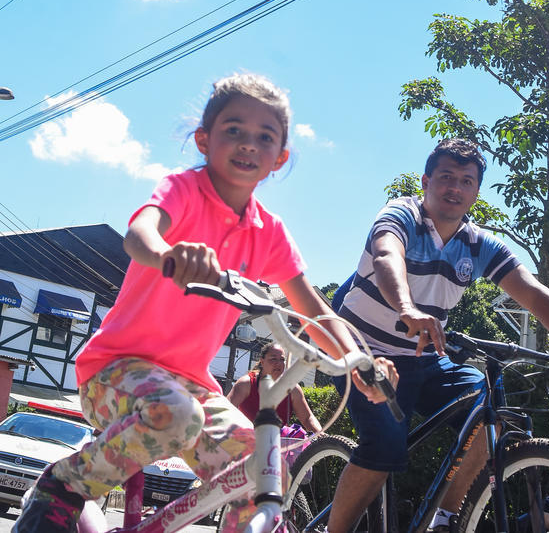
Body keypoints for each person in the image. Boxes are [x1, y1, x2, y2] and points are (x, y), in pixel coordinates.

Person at [15, 72, 390, 533]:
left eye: (264, 137)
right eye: (234, 130)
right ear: (204, 139)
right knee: (173, 414)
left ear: (280, 158)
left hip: (192, 385)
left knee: (263, 469)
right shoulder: (184, 191)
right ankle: (63, 489)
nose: (248, 143)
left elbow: (313, 309)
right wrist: (167, 253)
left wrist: (363, 361)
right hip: (113, 370)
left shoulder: (268, 233)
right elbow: (140, 234)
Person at [327, 138, 549, 533]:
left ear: (475, 192)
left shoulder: (478, 244)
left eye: (466, 181)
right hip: (360, 351)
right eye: (446, 177)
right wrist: (407, 308)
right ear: (426, 182)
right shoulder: (401, 214)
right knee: (384, 446)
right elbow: (388, 257)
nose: (454, 188)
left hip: (425, 357)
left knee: (491, 414)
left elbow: (532, 291)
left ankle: (444, 520)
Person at [229, 341, 322, 433]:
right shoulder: (245, 384)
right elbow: (226, 408)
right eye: (273, 359)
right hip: (245, 441)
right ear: (262, 361)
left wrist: (320, 434)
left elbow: (307, 418)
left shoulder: (292, 389)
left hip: (278, 444)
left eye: (282, 359)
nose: (278, 363)